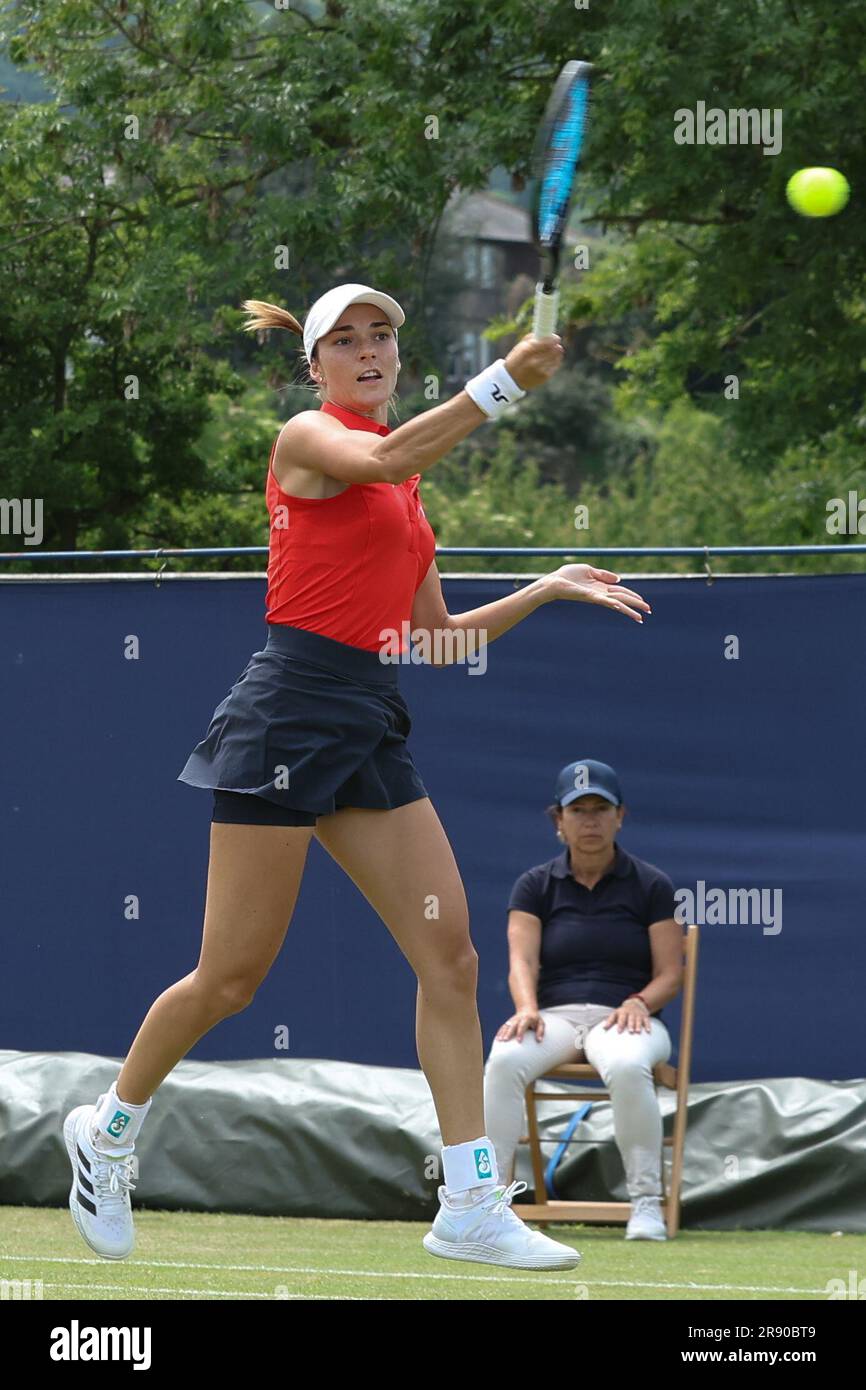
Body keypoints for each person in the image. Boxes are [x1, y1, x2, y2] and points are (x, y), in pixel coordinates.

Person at [63, 282, 651, 1272]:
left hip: (367, 716)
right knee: (232, 979)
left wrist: (545, 587)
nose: (368, 348)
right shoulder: (310, 439)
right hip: (287, 709)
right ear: (316, 366)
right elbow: (385, 451)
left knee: (451, 959)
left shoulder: (407, 496)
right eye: (346, 338)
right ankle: (108, 1131)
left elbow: (429, 637)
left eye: (382, 333)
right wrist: (503, 380)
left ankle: (468, 1199)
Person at [483, 759, 684, 1240]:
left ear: (620, 817)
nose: (589, 820)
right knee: (504, 1060)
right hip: (555, 1017)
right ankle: (490, 1204)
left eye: (600, 809)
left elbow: (672, 973)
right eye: (578, 810)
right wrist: (527, 1007)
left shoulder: (651, 885)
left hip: (627, 1018)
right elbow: (522, 963)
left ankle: (646, 1203)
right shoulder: (534, 885)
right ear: (558, 821)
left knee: (629, 1063)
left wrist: (639, 1001)